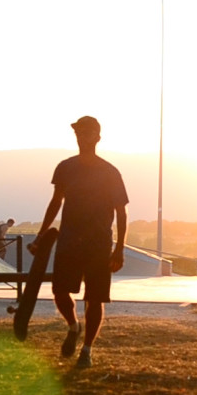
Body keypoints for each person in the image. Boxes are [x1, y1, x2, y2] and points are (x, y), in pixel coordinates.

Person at [29, 116, 129, 368]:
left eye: (86, 132)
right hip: (69, 240)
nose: (81, 137)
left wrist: (119, 249)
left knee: (95, 299)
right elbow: (56, 201)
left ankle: (86, 350)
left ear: (97, 137)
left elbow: (121, 212)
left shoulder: (110, 172)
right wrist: (41, 235)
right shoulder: (65, 168)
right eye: (78, 132)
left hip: (98, 244)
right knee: (60, 292)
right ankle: (74, 327)